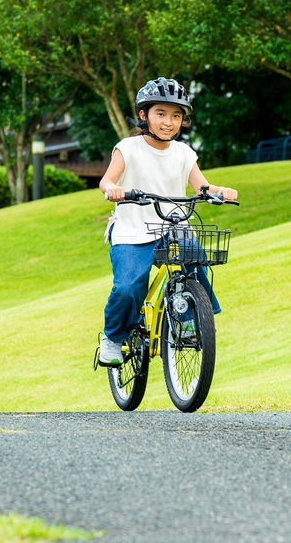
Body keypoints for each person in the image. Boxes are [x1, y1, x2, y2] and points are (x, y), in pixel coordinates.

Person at [97, 77, 239, 366]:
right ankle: (112, 338)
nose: (169, 122)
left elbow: (202, 186)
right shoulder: (128, 147)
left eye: (176, 115)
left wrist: (219, 192)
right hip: (133, 230)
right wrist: (112, 189)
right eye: (161, 114)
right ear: (143, 115)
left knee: (195, 264)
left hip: (173, 227)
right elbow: (107, 180)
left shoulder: (183, 152)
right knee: (128, 287)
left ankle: (190, 322)